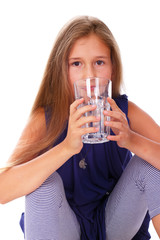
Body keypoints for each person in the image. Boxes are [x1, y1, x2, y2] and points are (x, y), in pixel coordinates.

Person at [0, 15, 160, 240]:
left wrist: (133, 140)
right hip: (65, 229)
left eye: (99, 62)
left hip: (114, 224)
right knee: (42, 182)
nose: (90, 76)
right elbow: (3, 190)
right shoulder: (45, 120)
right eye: (77, 64)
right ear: (62, 71)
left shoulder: (125, 112)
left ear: (112, 68)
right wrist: (66, 147)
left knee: (150, 164)